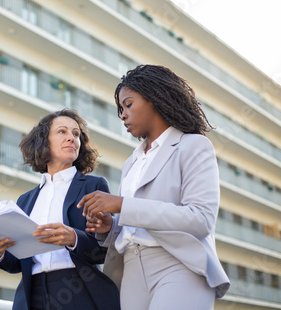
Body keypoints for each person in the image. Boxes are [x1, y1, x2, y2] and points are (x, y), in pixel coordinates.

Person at [77, 65, 230, 310]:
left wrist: (122, 205)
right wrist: (110, 226)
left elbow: (200, 219)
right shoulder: (131, 163)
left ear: (154, 99)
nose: (122, 115)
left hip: (179, 264)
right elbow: (134, 227)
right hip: (131, 271)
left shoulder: (193, 146)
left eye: (128, 104)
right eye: (120, 108)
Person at [0, 109, 120, 310]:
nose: (71, 138)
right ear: (44, 141)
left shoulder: (93, 186)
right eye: (62, 132)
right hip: (33, 294)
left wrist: (74, 239)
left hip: (79, 288)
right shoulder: (25, 200)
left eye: (76, 134)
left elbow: (104, 250)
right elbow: (16, 264)